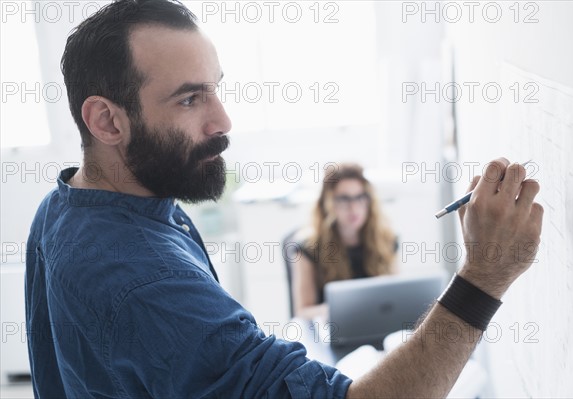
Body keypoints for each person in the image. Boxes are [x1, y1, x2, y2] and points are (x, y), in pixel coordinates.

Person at [25, 0, 544, 397]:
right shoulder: (145, 279)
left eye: (215, 89)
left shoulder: (67, 203)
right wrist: (484, 276)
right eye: (189, 98)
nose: (223, 122)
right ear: (106, 120)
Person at [292, 163, 398, 319]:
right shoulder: (308, 246)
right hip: (333, 329)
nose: (354, 207)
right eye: (344, 199)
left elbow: (397, 296)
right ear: (328, 202)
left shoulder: (386, 239)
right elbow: (303, 311)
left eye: (360, 197)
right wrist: (340, 311)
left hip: (376, 323)